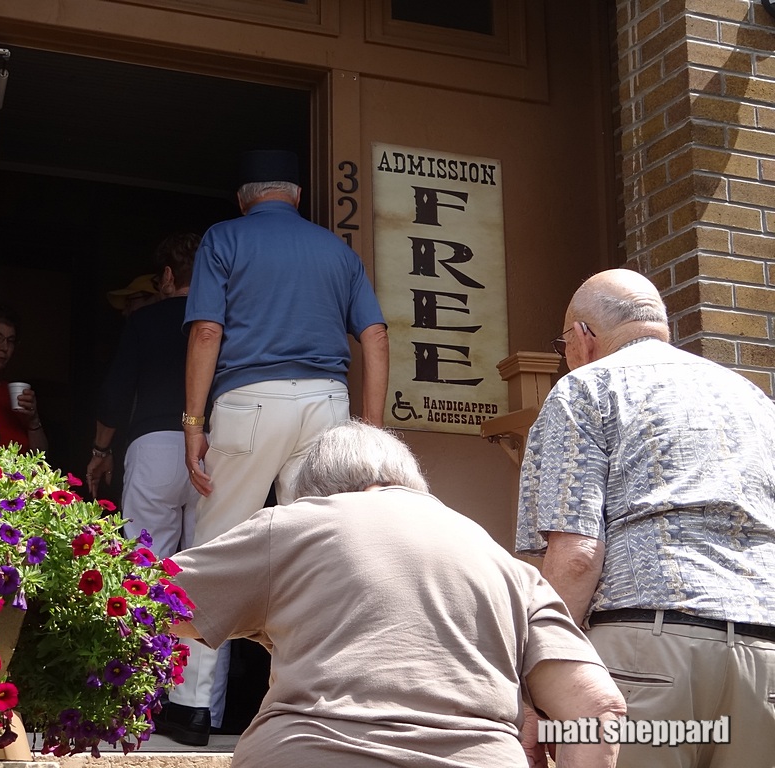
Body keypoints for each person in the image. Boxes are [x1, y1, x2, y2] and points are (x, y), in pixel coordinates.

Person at [166, 421, 625, 767]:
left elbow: (143, 600)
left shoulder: (300, 523)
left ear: (323, 494)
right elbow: (596, 705)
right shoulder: (508, 565)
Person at [161, 149, 390, 745]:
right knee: (319, 552)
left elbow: (207, 329)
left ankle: (188, 709)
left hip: (248, 404)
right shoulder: (338, 252)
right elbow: (375, 334)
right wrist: (370, 429)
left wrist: (192, 421)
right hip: (327, 406)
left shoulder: (224, 238)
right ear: (294, 196)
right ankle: (314, 704)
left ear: (245, 197)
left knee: (215, 547)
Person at [516, 268, 775, 768]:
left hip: (648, 650)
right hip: (765, 649)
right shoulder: (755, 400)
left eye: (562, 343)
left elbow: (576, 556)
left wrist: (534, 673)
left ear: (582, 337)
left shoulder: (586, 388)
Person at [85, 232, 200, 557]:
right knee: (206, 559)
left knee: (145, 562)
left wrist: (101, 448)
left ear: (167, 275)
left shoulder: (145, 320)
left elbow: (115, 392)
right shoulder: (222, 322)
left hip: (154, 448)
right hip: (212, 446)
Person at [0, 307, 48, 453]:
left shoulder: (13, 394)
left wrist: (33, 420)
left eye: (10, 341)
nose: (4, 347)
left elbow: (40, 456)